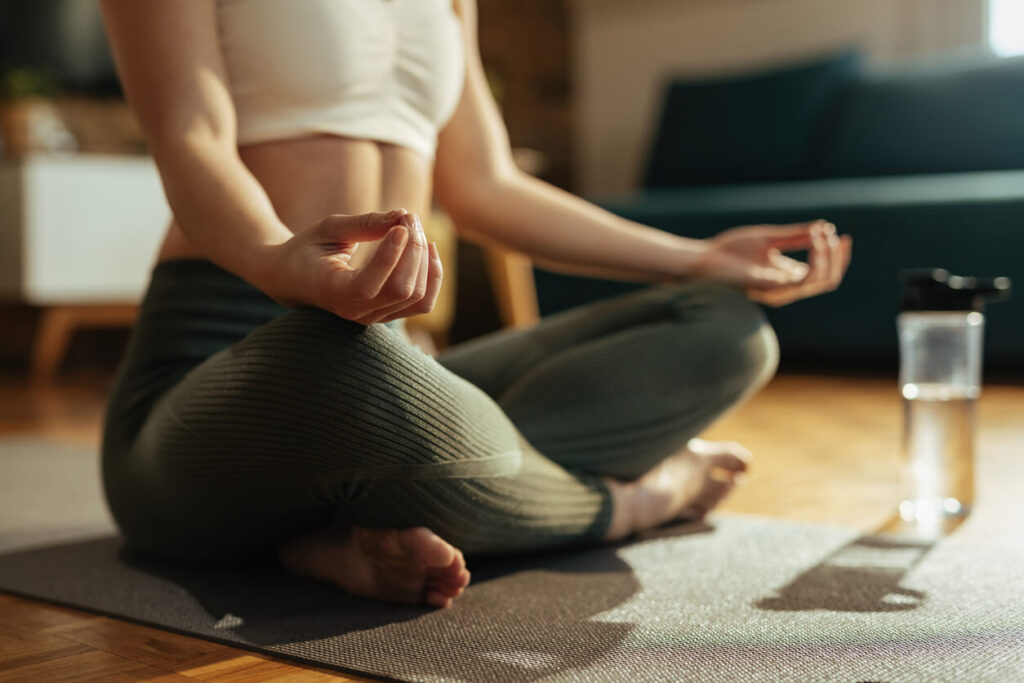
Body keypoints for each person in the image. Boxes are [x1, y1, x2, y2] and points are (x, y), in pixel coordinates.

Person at [98, 0, 851, 609]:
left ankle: (342, 523)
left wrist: (699, 257)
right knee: (349, 364)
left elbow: (485, 184)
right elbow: (191, 139)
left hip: (387, 368)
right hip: (217, 383)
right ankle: (629, 502)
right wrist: (277, 261)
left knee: (723, 327)